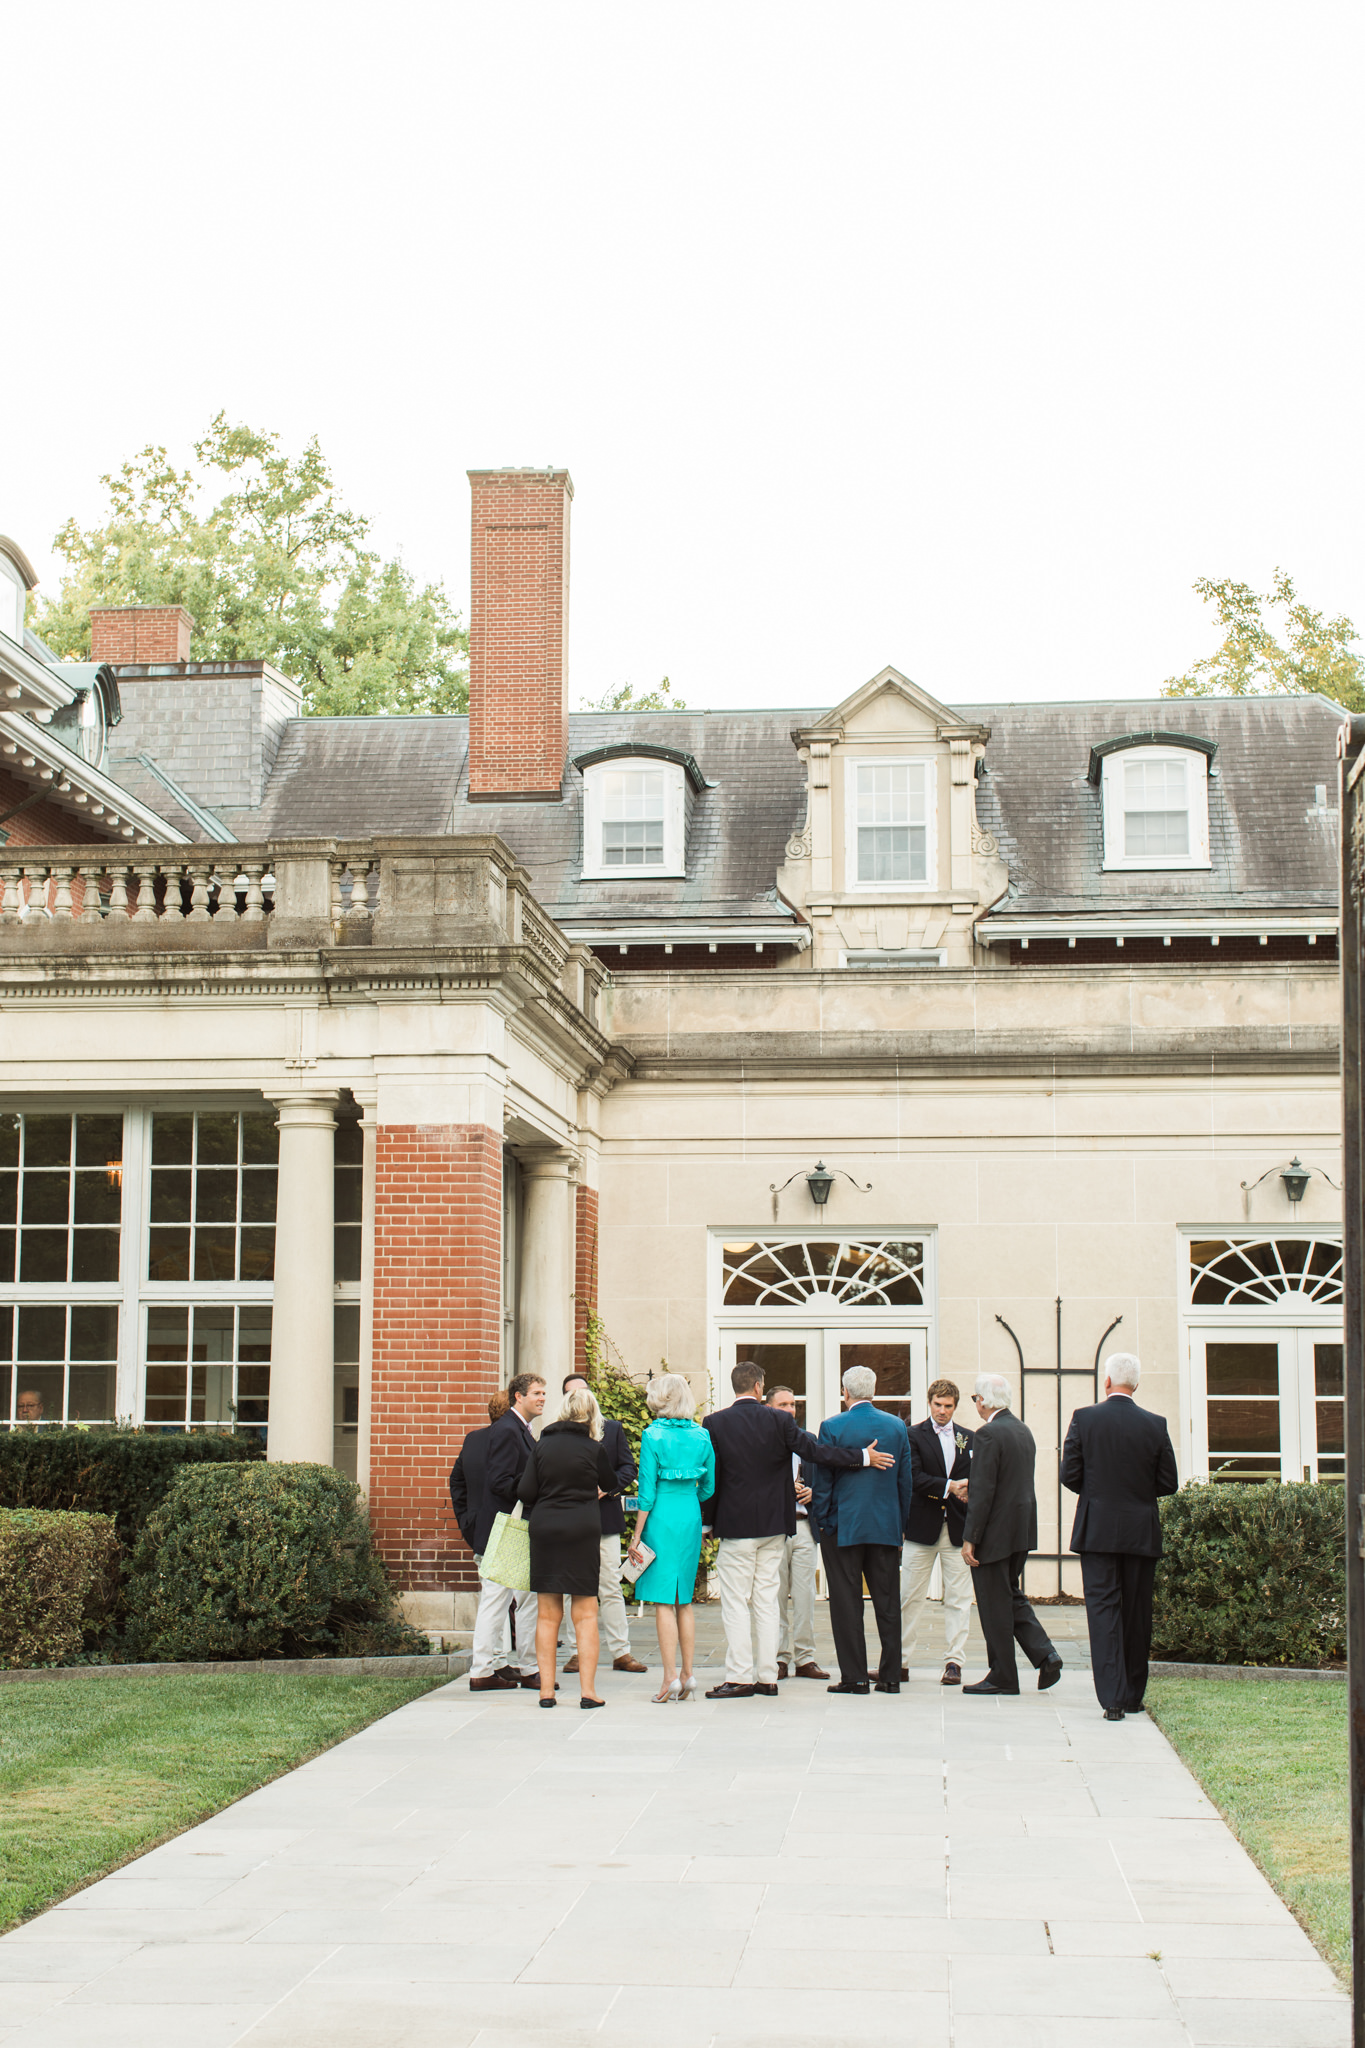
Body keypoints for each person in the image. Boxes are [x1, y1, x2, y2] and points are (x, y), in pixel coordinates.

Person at [701, 1360, 892, 1700]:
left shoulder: (715, 1423)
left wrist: (708, 1522)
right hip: (775, 1524)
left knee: (735, 1601)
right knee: (766, 1600)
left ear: (737, 1387)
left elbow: (711, 1477)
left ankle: (740, 1676)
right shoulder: (779, 1420)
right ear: (760, 1387)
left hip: (736, 1524)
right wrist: (862, 1457)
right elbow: (817, 1452)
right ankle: (766, 1676)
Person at [1061, 1352, 1179, 1722]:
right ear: (1137, 1384)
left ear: (1107, 1381)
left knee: (1103, 1611)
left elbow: (1069, 1474)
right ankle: (1132, 1696)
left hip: (1097, 1529)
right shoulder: (1155, 1424)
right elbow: (1168, 1483)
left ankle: (1111, 1698)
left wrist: (1097, 1494)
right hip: (1140, 1531)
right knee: (1137, 1611)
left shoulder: (1085, 1418)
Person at [812, 1367, 915, 1694]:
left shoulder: (831, 1427)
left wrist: (824, 1522)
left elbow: (823, 1481)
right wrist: (901, 1525)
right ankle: (890, 1676)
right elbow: (905, 1483)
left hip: (843, 1527)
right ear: (874, 1390)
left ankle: (855, 1677)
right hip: (885, 1526)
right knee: (888, 1603)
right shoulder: (897, 1426)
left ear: (845, 1392)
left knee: (846, 1602)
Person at [960, 1374, 1062, 1697]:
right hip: (1020, 1530)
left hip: (995, 1533)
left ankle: (1003, 1674)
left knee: (993, 1603)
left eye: (975, 1398)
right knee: (1009, 1595)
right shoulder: (1022, 1430)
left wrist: (970, 1537)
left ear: (985, 1401)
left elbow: (984, 1491)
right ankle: (1046, 1656)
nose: (975, 1403)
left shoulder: (987, 1434)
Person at [518, 1383, 619, 1708]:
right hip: (582, 1529)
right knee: (586, 1613)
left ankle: (547, 1691)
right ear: (592, 1416)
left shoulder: (541, 1446)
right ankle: (588, 1692)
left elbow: (526, 1491)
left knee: (548, 1615)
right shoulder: (594, 1449)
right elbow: (611, 1484)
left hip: (546, 1529)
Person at [627, 1373, 716, 1701]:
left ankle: (668, 1678)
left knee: (664, 1601)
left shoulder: (652, 1435)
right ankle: (689, 1674)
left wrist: (636, 1537)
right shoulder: (702, 1434)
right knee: (685, 1601)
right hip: (689, 1512)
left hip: (661, 1515)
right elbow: (709, 1488)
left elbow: (646, 1494)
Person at [559, 1372, 648, 1676]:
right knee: (574, 1588)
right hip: (569, 1521)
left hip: (604, 1519)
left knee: (609, 1586)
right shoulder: (557, 1436)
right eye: (572, 1394)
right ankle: (575, 1652)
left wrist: (607, 1488)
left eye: (583, 1392)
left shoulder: (612, 1430)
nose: (580, 1398)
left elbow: (628, 1467)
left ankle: (621, 1652)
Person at [468, 1372, 546, 1692]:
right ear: (518, 1396)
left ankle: (527, 1667)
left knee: (527, 1600)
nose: (542, 1398)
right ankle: (482, 1670)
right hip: (505, 1528)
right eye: (536, 1393)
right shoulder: (506, 1430)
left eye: (544, 1393)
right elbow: (500, 1482)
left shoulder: (521, 1429)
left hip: (518, 1527)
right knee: (496, 1600)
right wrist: (536, 1487)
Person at [902, 1378, 974, 1685]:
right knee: (909, 1596)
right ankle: (900, 1660)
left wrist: (968, 1489)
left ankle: (954, 1662)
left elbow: (975, 1478)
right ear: (929, 1403)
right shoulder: (912, 1435)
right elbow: (913, 1476)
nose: (942, 1411)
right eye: (937, 1405)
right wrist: (949, 1487)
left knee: (958, 1598)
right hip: (921, 1527)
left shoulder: (968, 1439)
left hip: (957, 1528)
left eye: (948, 1406)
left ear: (955, 1407)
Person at [765, 1386, 827, 1680]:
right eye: (783, 1404)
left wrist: (814, 1493)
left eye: (793, 1404)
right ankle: (779, 1658)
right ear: (768, 1408)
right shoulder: (761, 1440)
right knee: (775, 1597)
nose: (790, 1409)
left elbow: (826, 1481)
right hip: (774, 1528)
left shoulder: (809, 1441)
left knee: (805, 1597)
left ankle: (805, 1658)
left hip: (804, 1527)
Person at [449, 1390, 510, 1551]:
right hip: (508, 1532)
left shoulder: (473, 1439)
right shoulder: (514, 1439)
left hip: (476, 1528)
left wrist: (466, 1518)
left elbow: (456, 1481)